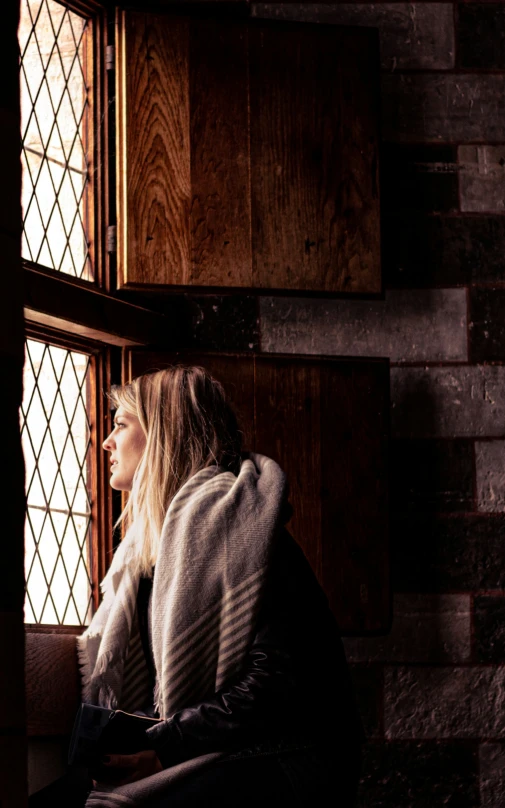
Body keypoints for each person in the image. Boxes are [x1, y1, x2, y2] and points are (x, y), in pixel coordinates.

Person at [31, 366, 364, 808]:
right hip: (212, 743)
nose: (106, 442)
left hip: (289, 753)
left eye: (121, 424)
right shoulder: (146, 552)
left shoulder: (244, 532)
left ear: (163, 434)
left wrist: (166, 745)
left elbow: (275, 682)